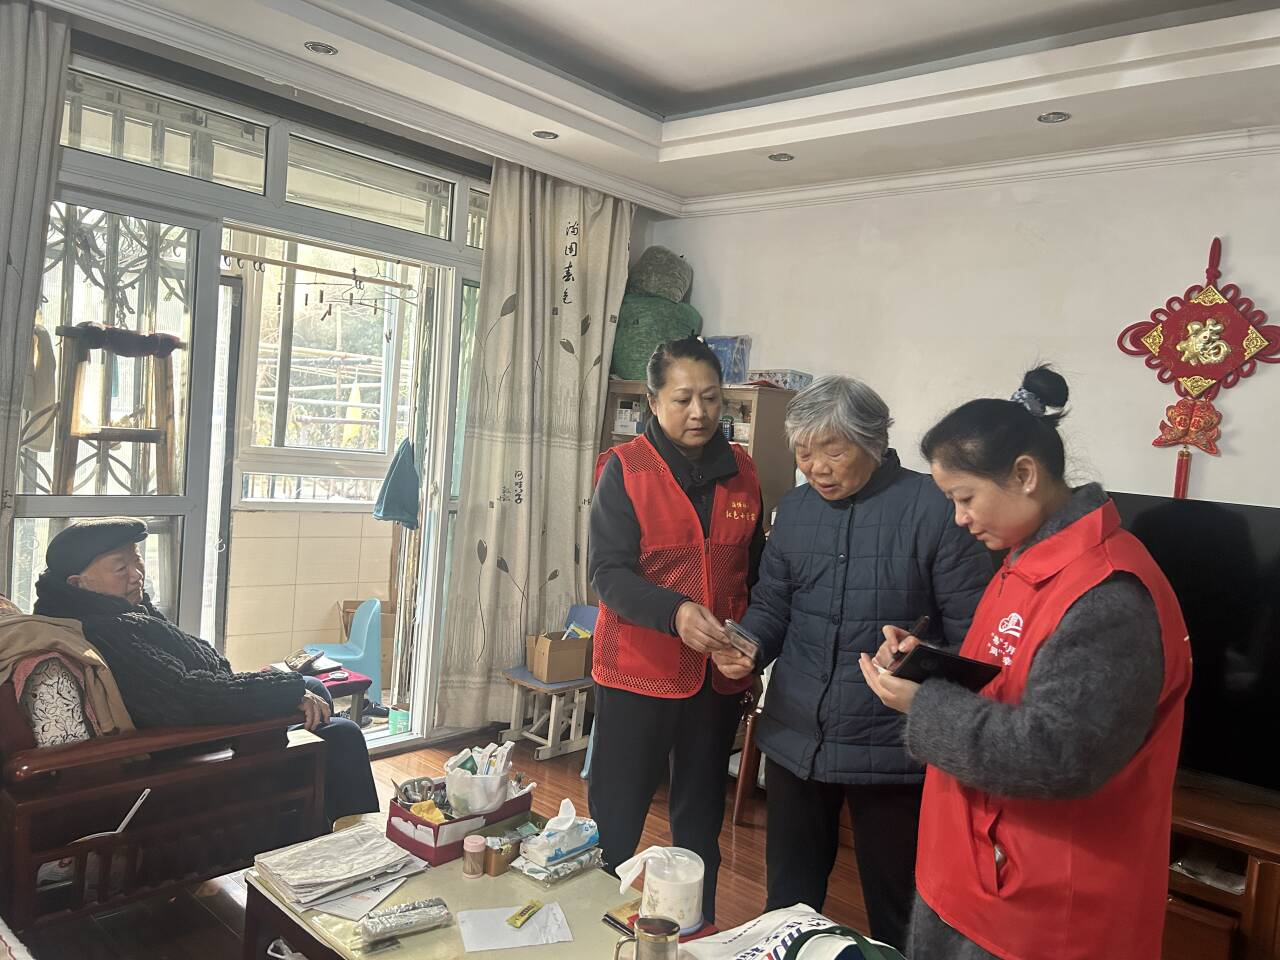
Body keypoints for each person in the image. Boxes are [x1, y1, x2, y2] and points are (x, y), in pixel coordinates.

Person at [859, 366, 1192, 960]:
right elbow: (1005, 676)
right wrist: (925, 667)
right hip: (973, 869)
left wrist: (924, 703)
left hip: (1041, 903)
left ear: (1024, 475)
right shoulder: (1026, 559)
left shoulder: (1108, 596)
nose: (959, 518)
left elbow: (1059, 754)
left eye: (965, 498)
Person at [713, 376, 993, 950]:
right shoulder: (794, 511)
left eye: (833, 450)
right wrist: (748, 645)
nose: (816, 467)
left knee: (899, 912)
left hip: (890, 749)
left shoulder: (935, 510)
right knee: (786, 908)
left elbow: (972, 638)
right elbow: (773, 605)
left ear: (874, 441)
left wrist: (915, 661)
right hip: (795, 736)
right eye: (804, 452)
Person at [32, 517, 379, 824]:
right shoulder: (106, 630)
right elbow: (186, 696)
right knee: (342, 733)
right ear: (77, 582)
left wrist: (285, 688)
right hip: (198, 755)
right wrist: (283, 690)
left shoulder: (116, 609)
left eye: (137, 560)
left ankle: (324, 819)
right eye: (120, 568)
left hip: (208, 722)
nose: (137, 574)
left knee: (312, 687)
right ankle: (357, 843)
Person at [587, 336, 765, 926]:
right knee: (616, 820)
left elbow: (753, 572)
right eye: (683, 398)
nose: (699, 412)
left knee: (699, 824)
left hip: (714, 680)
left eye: (712, 399)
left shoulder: (742, 471)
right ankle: (595, 933)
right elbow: (608, 573)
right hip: (637, 672)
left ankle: (695, 932)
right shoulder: (626, 468)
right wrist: (676, 612)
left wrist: (750, 646)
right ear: (654, 401)